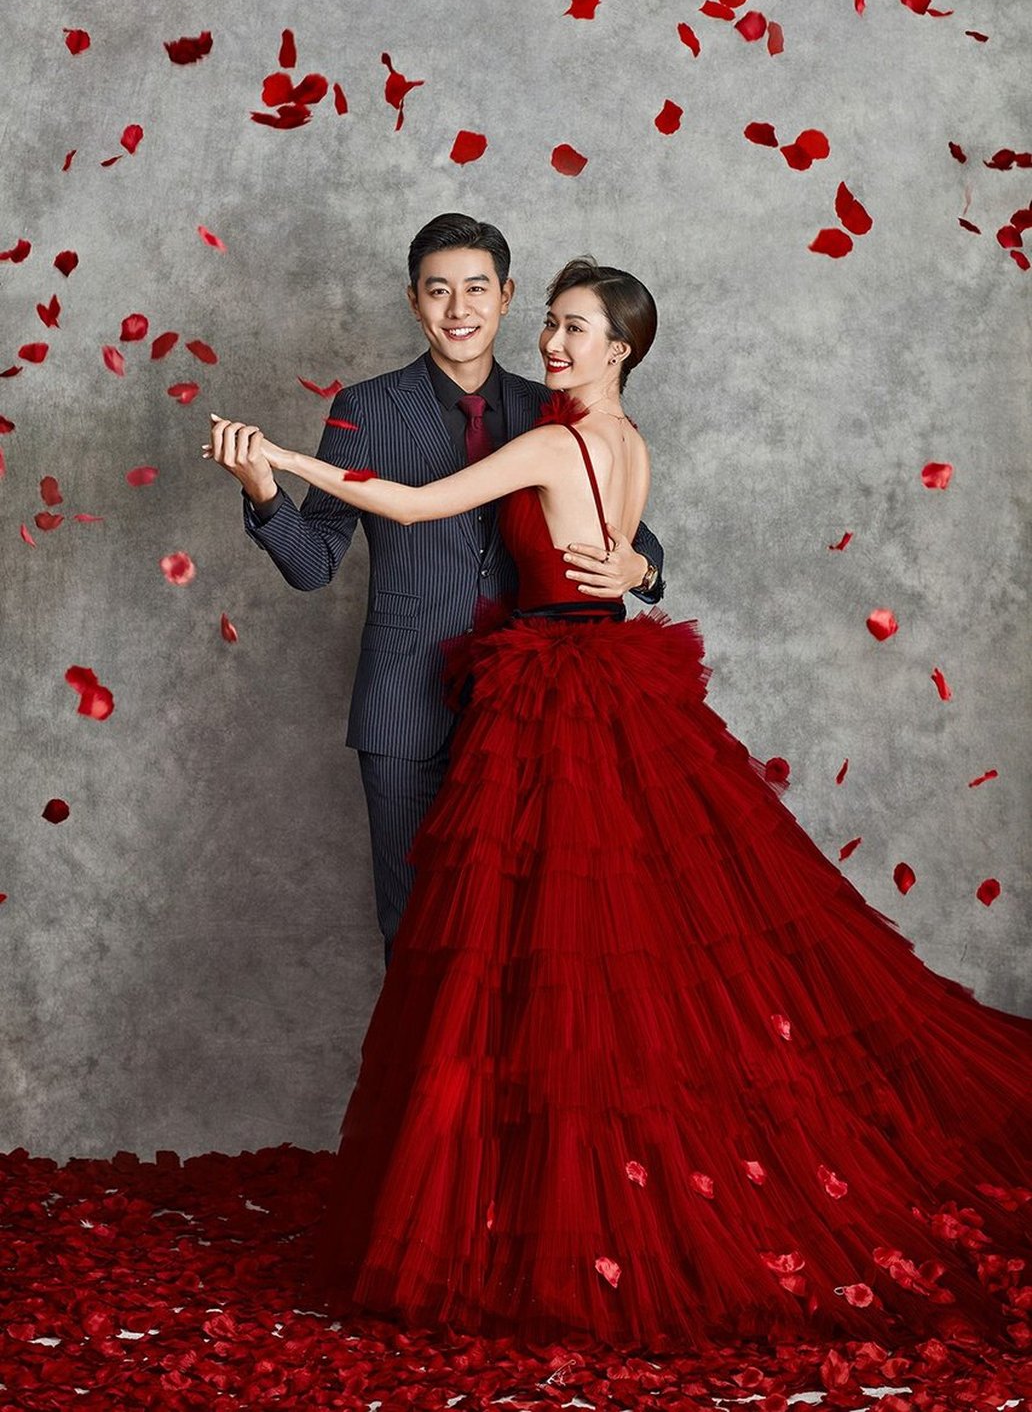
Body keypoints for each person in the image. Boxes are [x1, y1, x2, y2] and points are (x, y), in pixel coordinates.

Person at [204, 259, 1031, 1353]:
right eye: (551, 324)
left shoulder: (555, 441)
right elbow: (593, 541)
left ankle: (566, 1203)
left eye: (575, 328)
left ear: (621, 347)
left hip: (556, 690)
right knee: (623, 943)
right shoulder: (627, 438)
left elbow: (408, 501)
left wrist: (279, 456)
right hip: (608, 675)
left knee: (562, 950)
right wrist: (631, 565)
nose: (552, 343)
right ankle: (583, 1183)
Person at [210, 214, 664, 966]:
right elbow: (313, 563)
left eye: (477, 288)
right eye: (438, 290)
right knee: (418, 932)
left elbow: (629, 534)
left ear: (506, 297)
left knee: (530, 939)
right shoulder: (364, 410)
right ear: (413, 300)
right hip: (406, 708)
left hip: (533, 715)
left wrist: (640, 571)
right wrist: (264, 491)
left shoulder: (552, 404)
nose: (459, 309)